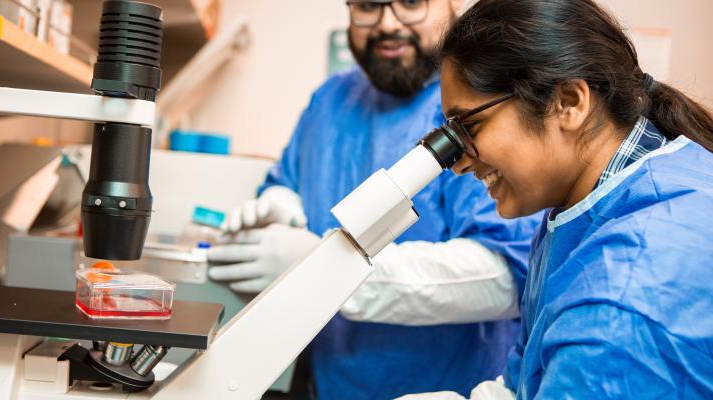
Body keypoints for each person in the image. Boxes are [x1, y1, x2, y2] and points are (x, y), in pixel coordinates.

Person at [206, 0, 542, 398]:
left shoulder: (477, 112)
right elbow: (287, 180)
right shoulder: (330, 99)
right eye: (368, 5)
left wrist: (330, 270)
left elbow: (506, 277)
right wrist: (282, 206)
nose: (387, 24)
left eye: (411, 3)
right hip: (329, 383)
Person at [398, 0, 713, 398]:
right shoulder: (587, 210)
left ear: (568, 102)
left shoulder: (623, 298)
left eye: (470, 126)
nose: (458, 164)